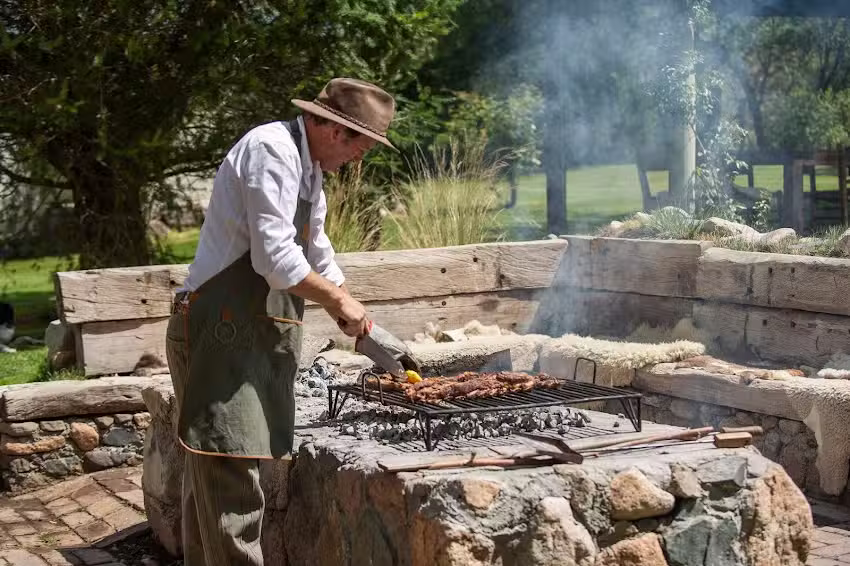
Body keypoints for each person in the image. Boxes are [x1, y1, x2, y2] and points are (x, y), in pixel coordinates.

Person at [165, 78, 396, 565]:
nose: (360, 159)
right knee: (228, 475)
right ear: (332, 129)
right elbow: (275, 259)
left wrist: (350, 307)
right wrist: (336, 299)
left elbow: (318, 253)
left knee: (210, 473)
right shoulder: (271, 150)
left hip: (248, 334)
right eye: (362, 146)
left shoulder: (311, 173)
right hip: (215, 332)